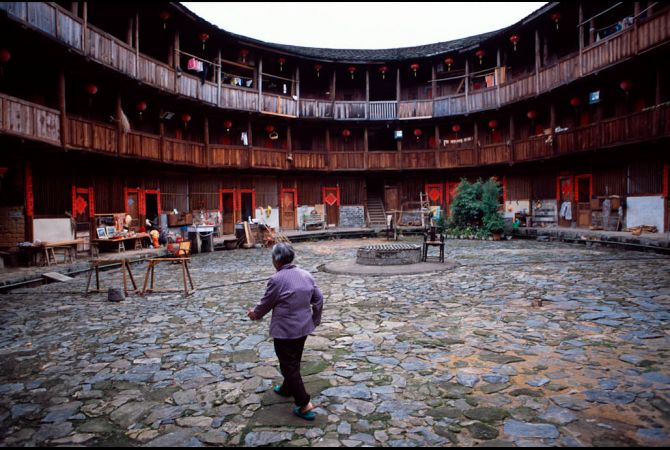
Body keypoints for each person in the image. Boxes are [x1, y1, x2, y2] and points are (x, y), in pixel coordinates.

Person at [247, 243, 324, 421]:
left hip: (285, 331)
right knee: (293, 360)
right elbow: (318, 299)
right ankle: (287, 388)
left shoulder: (277, 279)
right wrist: (315, 319)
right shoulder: (306, 275)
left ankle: (304, 404)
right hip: (303, 327)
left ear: (277, 260)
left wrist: (254, 314)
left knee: (288, 365)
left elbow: (267, 302)